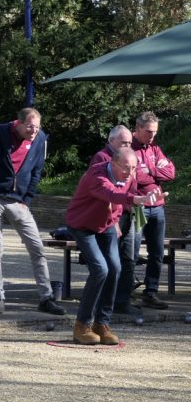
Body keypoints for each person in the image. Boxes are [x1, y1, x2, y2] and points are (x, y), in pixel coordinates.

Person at [0, 107, 65, 316]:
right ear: (19, 123)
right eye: (30, 126)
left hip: (19, 202)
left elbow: (37, 170)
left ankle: (46, 298)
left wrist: (27, 199)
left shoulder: (40, 139)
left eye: (37, 127)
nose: (33, 131)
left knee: (36, 248)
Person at [66, 147, 157, 345]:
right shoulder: (96, 174)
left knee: (115, 269)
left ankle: (102, 323)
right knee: (100, 269)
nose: (130, 172)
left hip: (105, 224)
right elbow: (112, 194)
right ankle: (82, 325)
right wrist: (135, 199)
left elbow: (123, 201)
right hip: (82, 225)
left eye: (133, 168)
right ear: (112, 163)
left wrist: (153, 193)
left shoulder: (130, 175)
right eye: (126, 168)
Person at [90, 125, 141, 315]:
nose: (128, 145)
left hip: (129, 211)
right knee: (111, 261)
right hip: (112, 216)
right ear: (111, 141)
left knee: (129, 257)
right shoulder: (103, 159)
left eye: (130, 142)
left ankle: (122, 300)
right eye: (124, 142)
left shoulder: (129, 157)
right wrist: (114, 221)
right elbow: (105, 193)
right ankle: (104, 303)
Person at [130, 111, 175, 310]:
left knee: (156, 252)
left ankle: (151, 292)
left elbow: (171, 172)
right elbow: (134, 177)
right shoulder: (127, 147)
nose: (152, 136)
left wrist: (151, 170)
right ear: (137, 128)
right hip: (138, 207)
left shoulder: (154, 148)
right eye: (148, 131)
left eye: (154, 132)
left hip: (157, 207)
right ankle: (126, 291)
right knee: (131, 251)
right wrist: (152, 174)